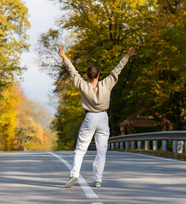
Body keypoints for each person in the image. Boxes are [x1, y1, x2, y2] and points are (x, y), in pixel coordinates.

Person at [58, 47, 136, 188]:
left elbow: (72, 72)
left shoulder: (83, 85)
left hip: (89, 118)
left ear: (87, 76)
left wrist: (64, 56)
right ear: (99, 75)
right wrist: (127, 56)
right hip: (103, 118)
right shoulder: (107, 84)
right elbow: (117, 70)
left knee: (80, 149)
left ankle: (74, 174)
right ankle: (97, 179)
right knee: (101, 151)